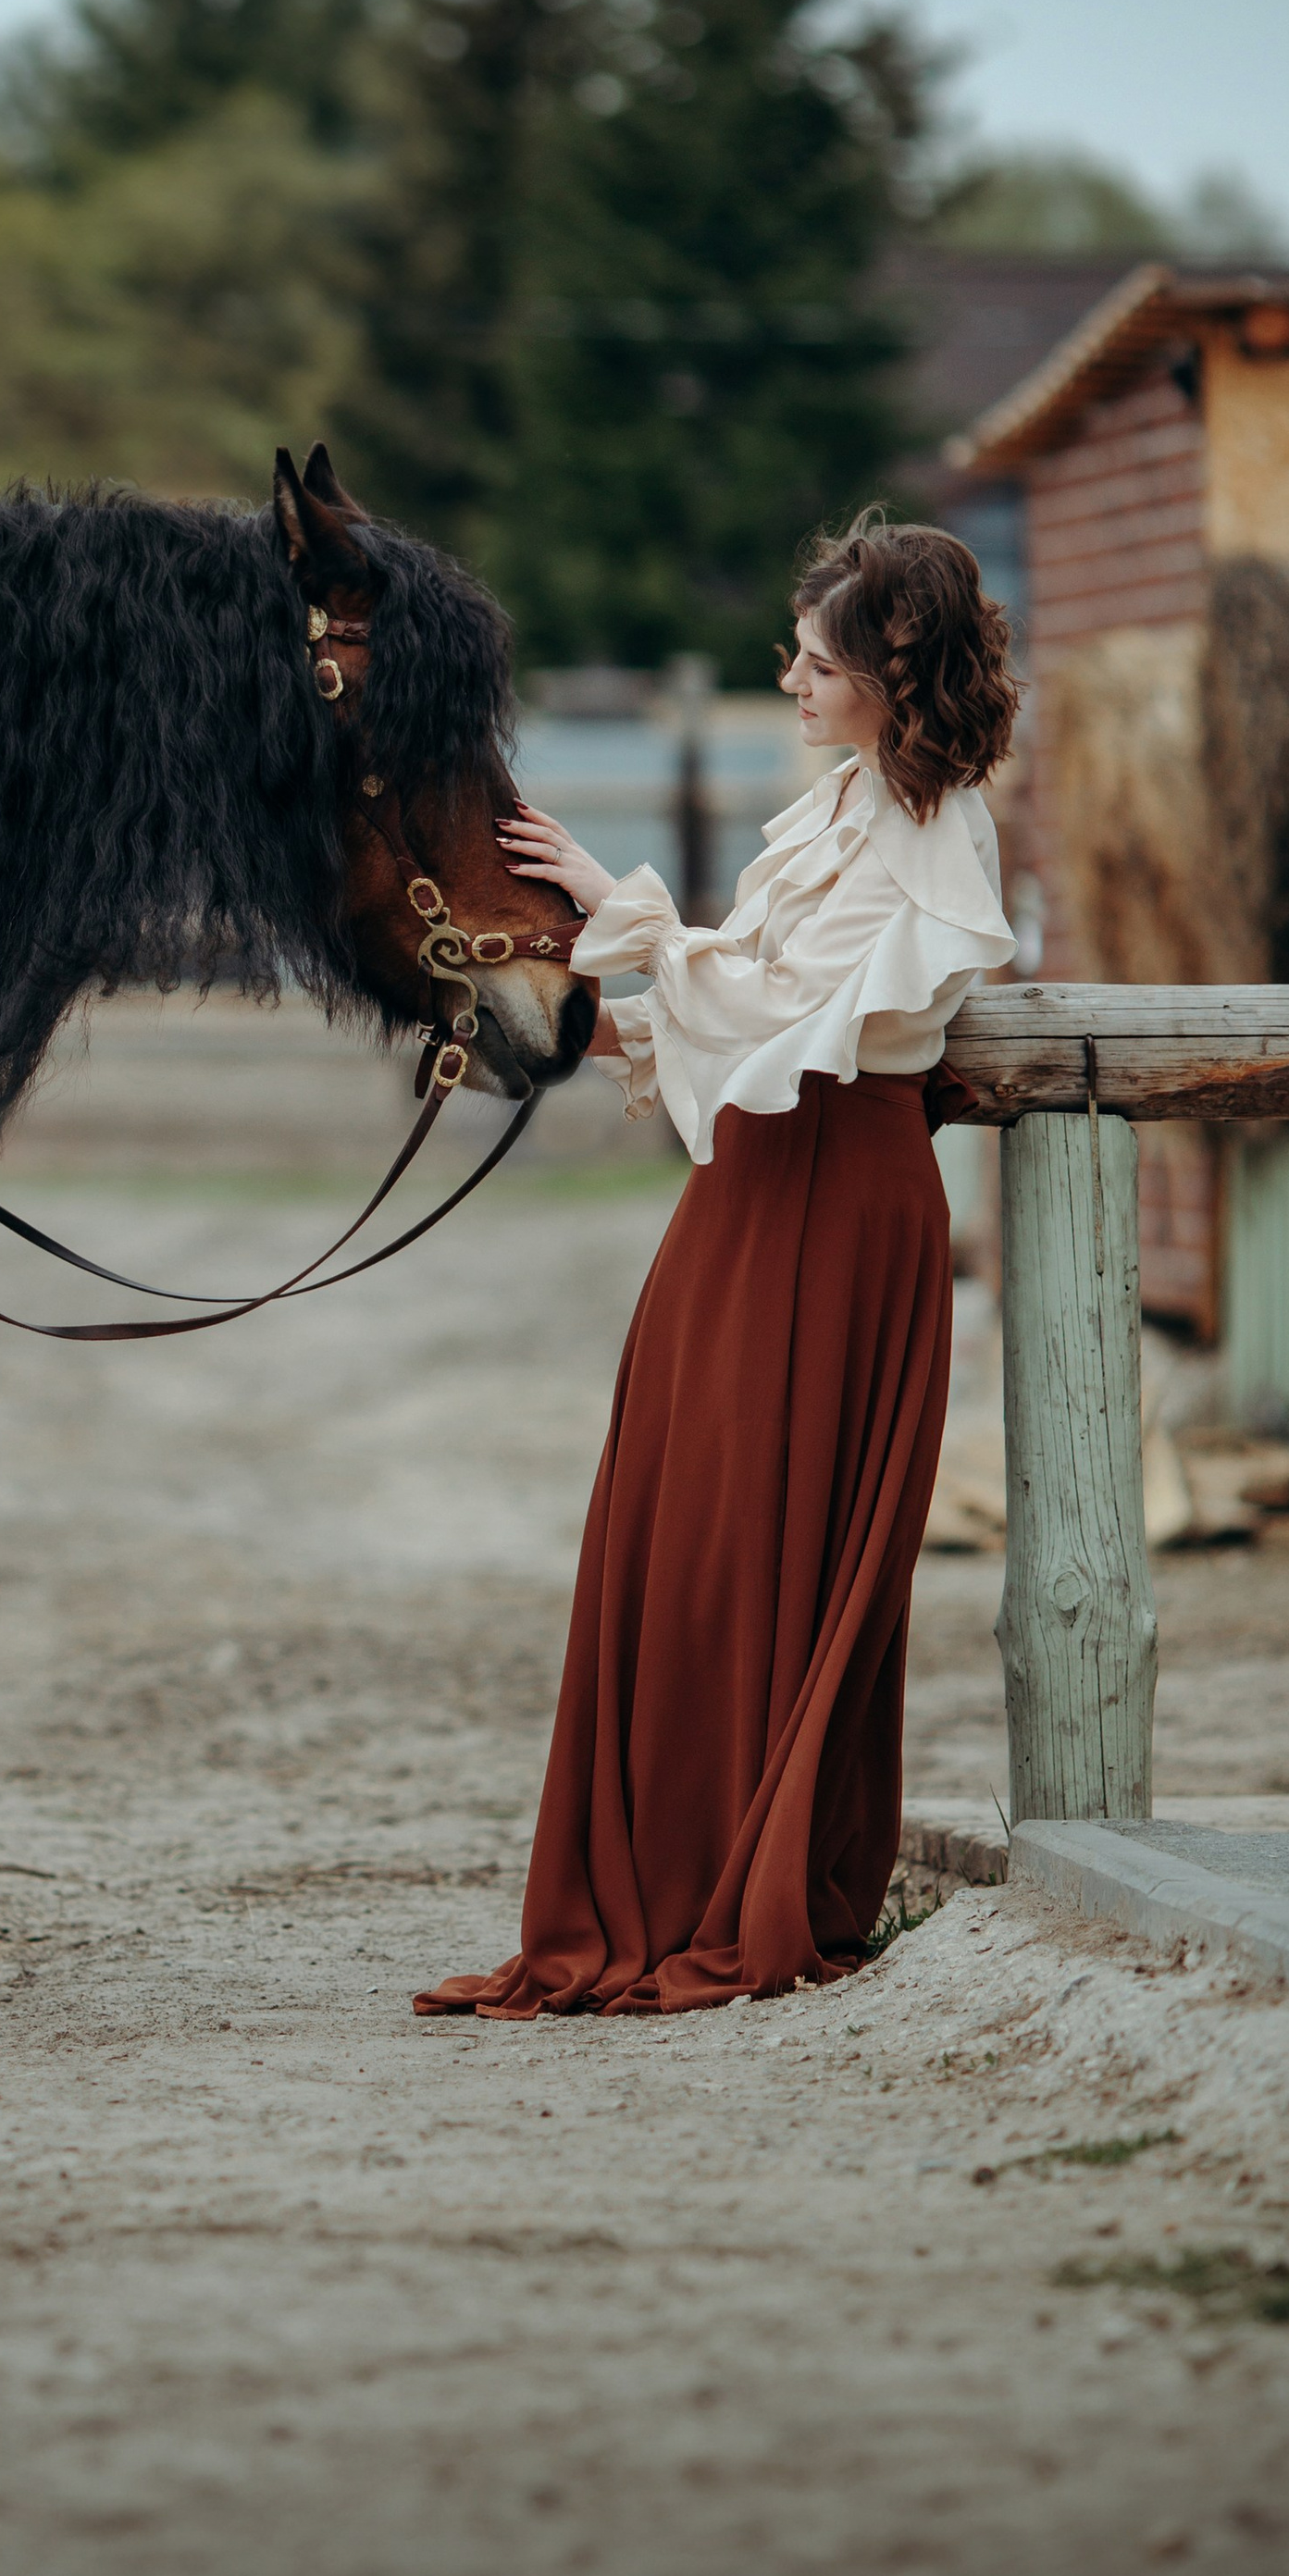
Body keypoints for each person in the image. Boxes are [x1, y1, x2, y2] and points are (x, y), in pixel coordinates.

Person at [420, 514, 1019, 2020]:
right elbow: (742, 1019)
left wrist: (631, 916)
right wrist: (575, 1016)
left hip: (839, 1203)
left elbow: (798, 1012)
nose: (792, 678)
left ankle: (740, 1879)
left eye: (816, 661)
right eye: (793, 656)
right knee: (676, 1530)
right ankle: (666, 1865)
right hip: (748, 1198)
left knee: (757, 1541)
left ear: (892, 678)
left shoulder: (934, 838)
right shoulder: (831, 808)